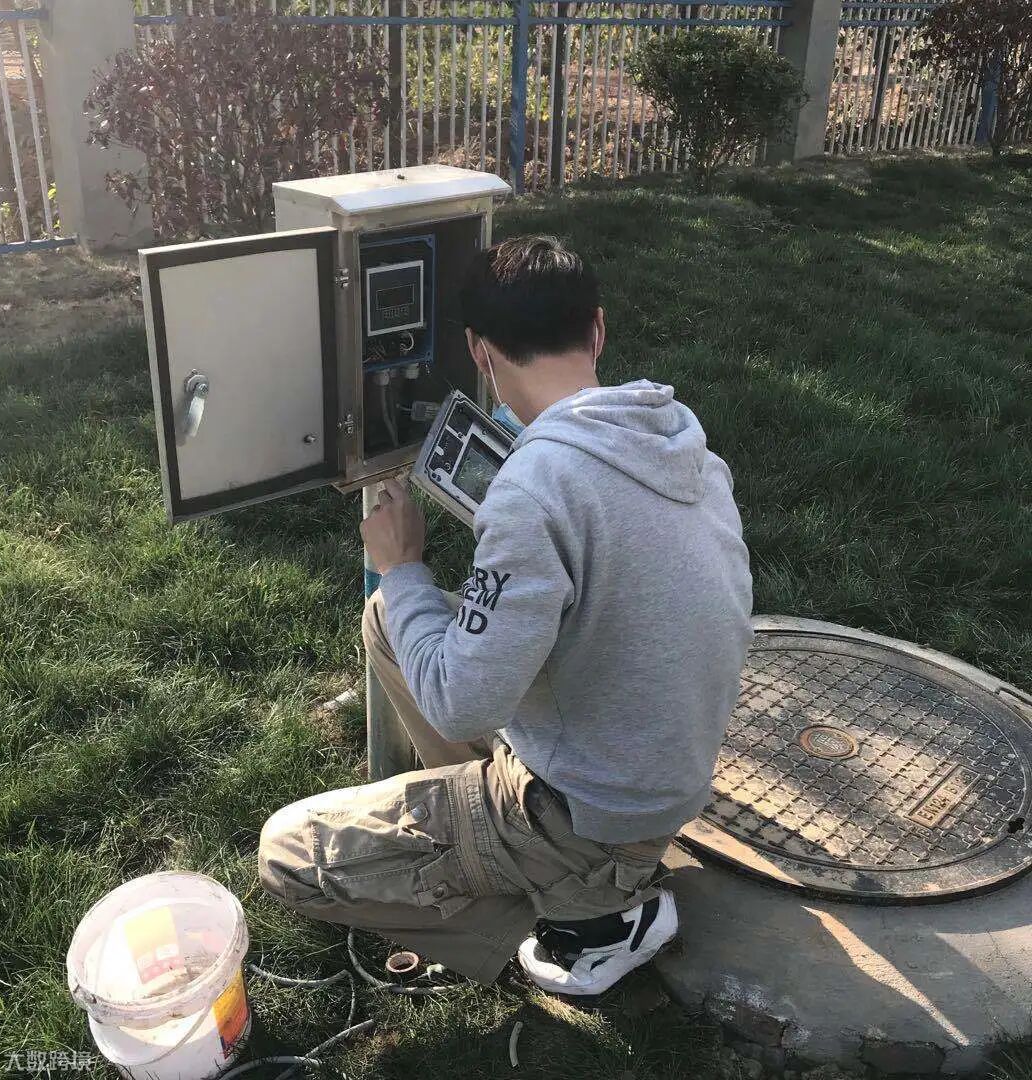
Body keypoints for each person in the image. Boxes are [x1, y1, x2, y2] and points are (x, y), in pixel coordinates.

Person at [258, 235, 753, 995]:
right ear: (597, 330)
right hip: (658, 766)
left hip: (589, 817)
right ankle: (495, 834)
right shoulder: (680, 445)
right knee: (390, 621)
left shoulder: (536, 487)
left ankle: (584, 921)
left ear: (478, 351)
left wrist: (402, 564)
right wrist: (415, 587)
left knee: (288, 854)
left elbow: (462, 703)